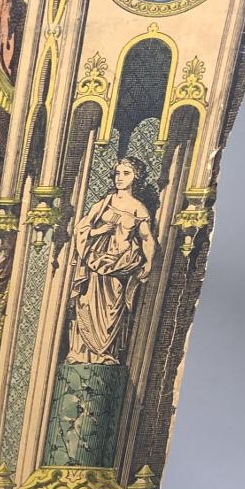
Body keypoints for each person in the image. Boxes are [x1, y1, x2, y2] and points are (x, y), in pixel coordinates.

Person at [67, 156, 157, 364]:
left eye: (126, 173)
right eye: (117, 173)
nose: (120, 178)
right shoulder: (105, 203)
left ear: (136, 177)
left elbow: (147, 239)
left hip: (119, 266)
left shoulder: (138, 208)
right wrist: (100, 231)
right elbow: (81, 228)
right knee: (86, 304)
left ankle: (105, 353)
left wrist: (149, 262)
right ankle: (80, 353)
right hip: (95, 263)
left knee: (112, 307)